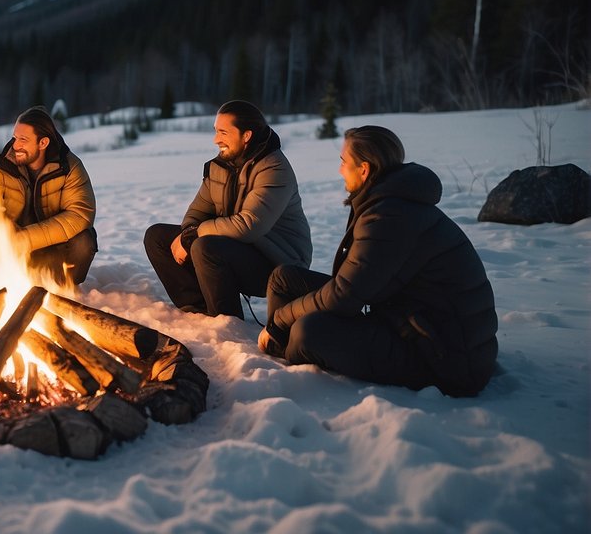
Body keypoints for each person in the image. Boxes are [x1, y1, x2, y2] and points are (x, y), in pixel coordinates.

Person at [258, 126, 498, 396]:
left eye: (343, 162)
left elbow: (344, 296)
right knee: (285, 279)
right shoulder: (387, 200)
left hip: (443, 356)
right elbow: (352, 284)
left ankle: (288, 351)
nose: (339, 171)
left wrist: (279, 320)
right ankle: (279, 348)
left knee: (308, 330)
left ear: (364, 169)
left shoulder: (388, 216)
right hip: (408, 320)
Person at [145, 100, 312, 317]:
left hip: (278, 264)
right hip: (235, 248)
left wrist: (193, 235)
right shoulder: (220, 166)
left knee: (204, 246)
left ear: (246, 136)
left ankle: (226, 321)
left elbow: (248, 226)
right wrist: (188, 234)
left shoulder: (273, 168)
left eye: (223, 132)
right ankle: (197, 311)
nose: (216, 140)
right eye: (216, 131)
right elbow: (196, 213)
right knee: (157, 237)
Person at [0, 105, 98, 288]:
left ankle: (54, 288)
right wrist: (4, 232)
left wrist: (26, 239)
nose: (15, 145)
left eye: (23, 139)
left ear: (43, 143)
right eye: (14, 138)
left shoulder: (69, 167)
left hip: (51, 251)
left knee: (84, 241)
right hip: (7, 250)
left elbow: (80, 215)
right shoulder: (1, 165)